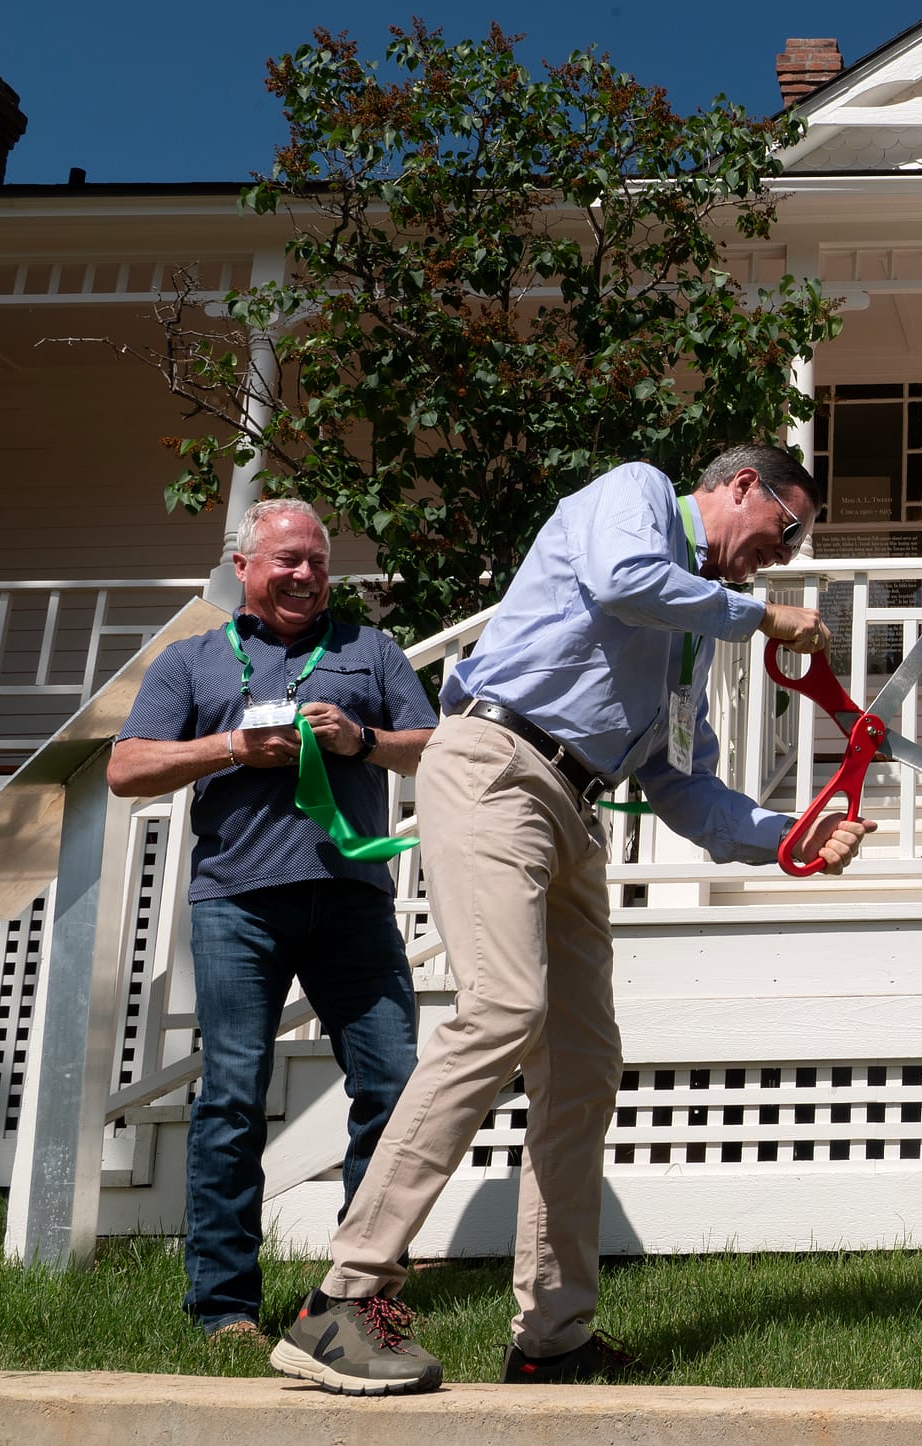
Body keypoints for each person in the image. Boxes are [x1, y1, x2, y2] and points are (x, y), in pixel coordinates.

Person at [269, 443, 870, 1396]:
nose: (782, 559)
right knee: (503, 1008)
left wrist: (795, 837)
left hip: (573, 809)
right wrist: (761, 615)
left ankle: (553, 1338)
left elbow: (684, 787)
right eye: (785, 533)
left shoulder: (688, 636)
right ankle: (340, 1299)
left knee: (584, 1066)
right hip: (497, 766)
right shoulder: (634, 497)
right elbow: (625, 579)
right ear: (741, 487)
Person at [110, 497, 437, 1342]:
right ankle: (224, 1307)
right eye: (286, 559)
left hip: (354, 901)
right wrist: (231, 747)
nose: (303, 574)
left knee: (394, 1090)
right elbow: (126, 767)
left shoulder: (372, 649)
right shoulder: (192, 659)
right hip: (237, 905)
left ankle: (359, 1290)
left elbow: (438, 746)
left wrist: (361, 739)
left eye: (318, 561)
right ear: (244, 568)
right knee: (230, 1100)